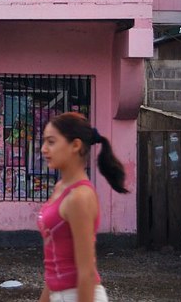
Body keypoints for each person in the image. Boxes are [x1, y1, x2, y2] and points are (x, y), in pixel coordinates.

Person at [37, 112, 129, 302]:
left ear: (75, 145)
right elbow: (55, 263)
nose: (43, 149)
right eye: (44, 142)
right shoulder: (60, 189)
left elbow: (86, 272)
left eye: (51, 142)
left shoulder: (80, 197)